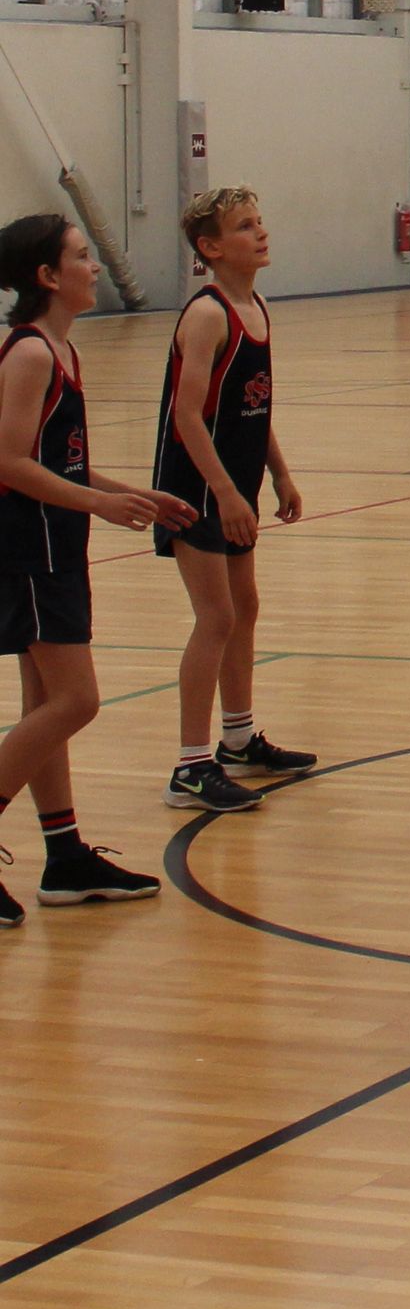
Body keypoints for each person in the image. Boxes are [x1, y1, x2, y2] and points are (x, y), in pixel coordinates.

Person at [0, 216, 196, 927]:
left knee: (45, 706)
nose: (96, 266)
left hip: (55, 544)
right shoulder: (31, 353)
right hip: (32, 550)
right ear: (47, 277)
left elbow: (60, 462)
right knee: (77, 702)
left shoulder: (60, 349)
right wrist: (100, 505)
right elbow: (9, 462)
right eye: (82, 257)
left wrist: (126, 494)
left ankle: (63, 858)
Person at [152, 186, 309, 817]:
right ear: (211, 248)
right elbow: (187, 414)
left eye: (260, 221)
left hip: (235, 485)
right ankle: (190, 767)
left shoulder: (258, 307)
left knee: (244, 608)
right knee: (215, 617)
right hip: (195, 489)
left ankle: (238, 740)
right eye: (245, 226)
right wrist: (221, 492)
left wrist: (280, 475)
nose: (260, 232)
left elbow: (253, 405)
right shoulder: (208, 314)